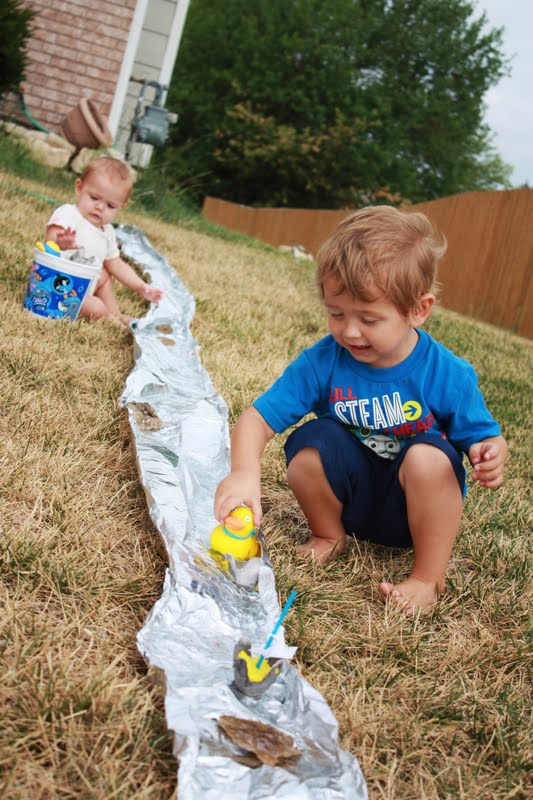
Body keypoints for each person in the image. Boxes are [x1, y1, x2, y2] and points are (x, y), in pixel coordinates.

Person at [214, 206, 508, 614]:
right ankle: (329, 536)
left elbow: (486, 438)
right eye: (337, 314)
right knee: (310, 443)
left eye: (369, 318)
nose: (349, 331)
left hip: (412, 512)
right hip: (351, 499)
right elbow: (257, 420)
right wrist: (244, 472)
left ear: (418, 309)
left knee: (428, 457)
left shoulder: (447, 373)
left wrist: (491, 452)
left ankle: (427, 578)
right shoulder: (324, 361)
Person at [45, 156, 163, 326]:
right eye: (94, 198)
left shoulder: (107, 232)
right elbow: (49, 242)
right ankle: (109, 319)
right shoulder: (69, 214)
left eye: (110, 206)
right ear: (79, 188)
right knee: (96, 306)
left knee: (105, 276)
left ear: (120, 206)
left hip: (84, 286)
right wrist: (61, 243)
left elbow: (116, 264)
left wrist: (140, 286)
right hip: (59, 289)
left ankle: (116, 314)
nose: (100, 207)